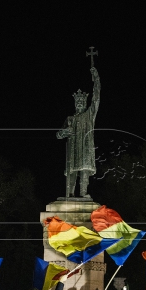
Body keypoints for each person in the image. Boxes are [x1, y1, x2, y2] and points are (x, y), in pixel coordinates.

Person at [56, 66, 100, 198]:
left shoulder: (89, 115)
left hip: (85, 149)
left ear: (85, 103)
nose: (79, 103)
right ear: (75, 103)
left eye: (82, 101)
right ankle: (70, 194)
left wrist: (96, 79)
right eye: (78, 101)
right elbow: (58, 135)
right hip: (73, 150)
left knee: (84, 169)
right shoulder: (69, 119)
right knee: (72, 171)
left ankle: (83, 193)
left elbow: (96, 98)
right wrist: (65, 132)